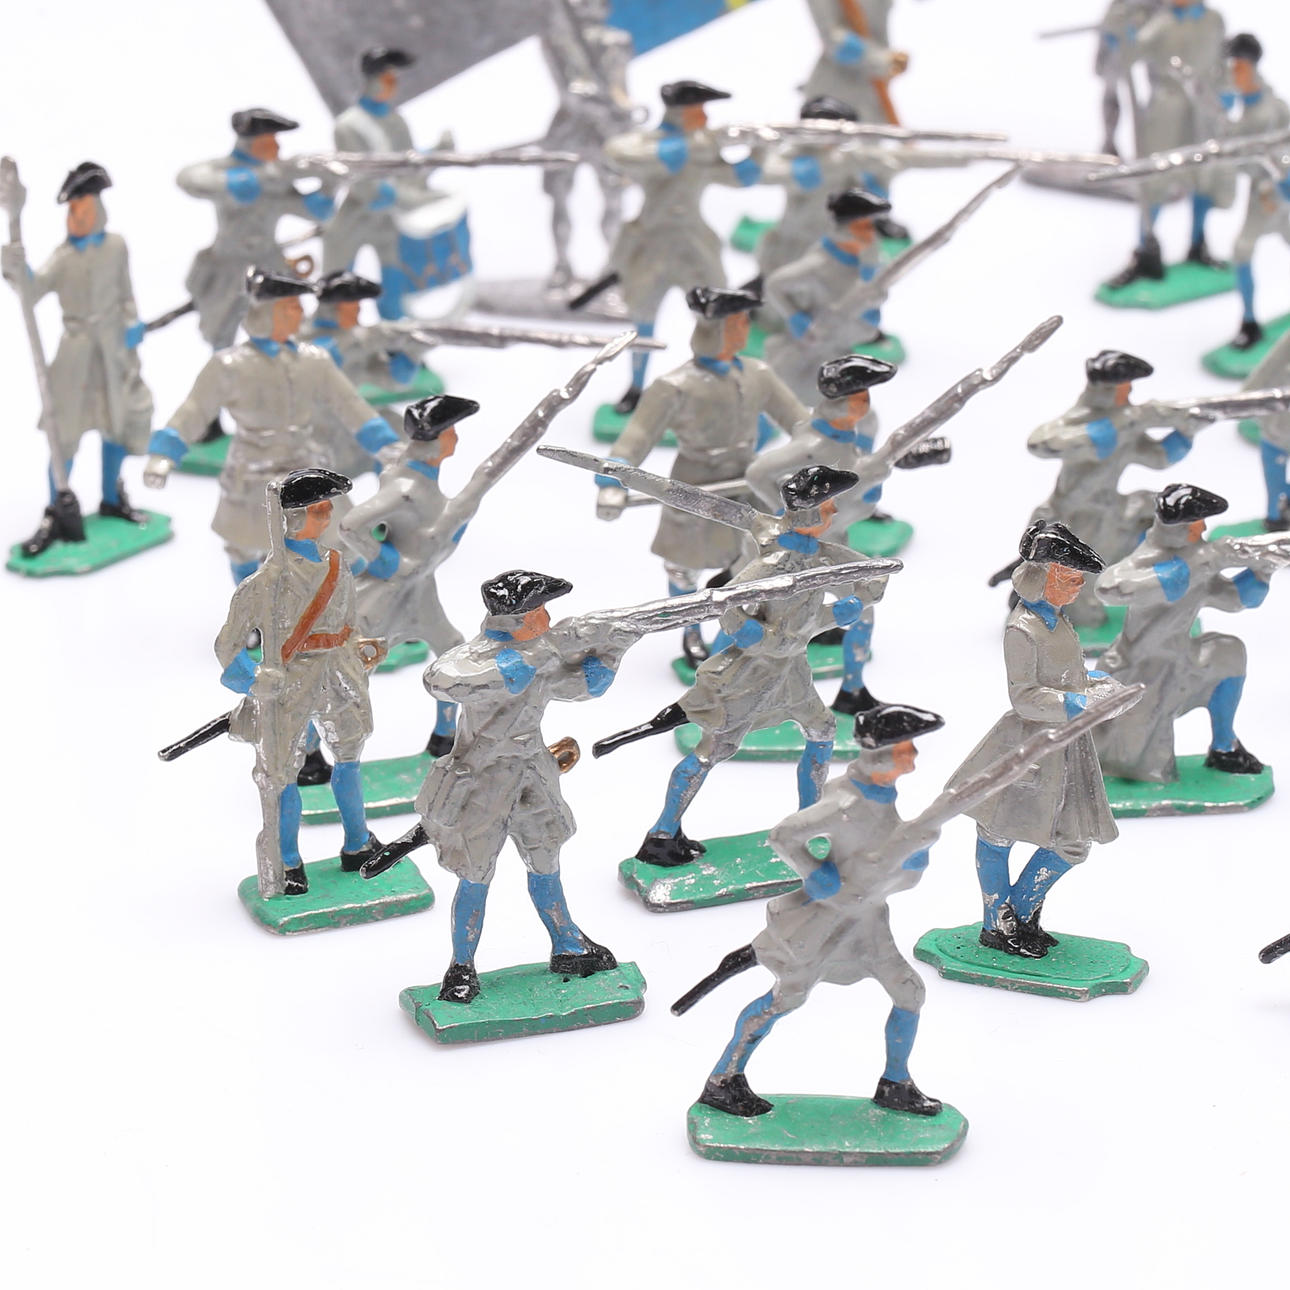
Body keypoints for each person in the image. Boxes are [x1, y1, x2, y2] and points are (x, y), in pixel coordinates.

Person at [596, 465, 891, 869]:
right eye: (828, 506)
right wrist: (757, 636)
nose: (835, 512)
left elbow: (868, 583)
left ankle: (807, 821)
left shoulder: (821, 555)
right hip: (756, 676)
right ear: (810, 512)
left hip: (793, 671)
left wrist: (842, 611)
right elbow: (726, 602)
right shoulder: (773, 564)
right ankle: (662, 834)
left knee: (822, 731)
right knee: (714, 749)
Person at [690, 703, 946, 1119]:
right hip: (825, 924)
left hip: (868, 922)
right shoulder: (845, 802)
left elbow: (883, 871)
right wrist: (815, 872)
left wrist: (915, 858)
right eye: (906, 748)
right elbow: (783, 835)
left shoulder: (882, 795)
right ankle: (723, 1080)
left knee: (909, 992)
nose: (913, 756)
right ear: (883, 753)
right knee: (786, 999)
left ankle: (895, 1085)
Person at [595, 285, 807, 665]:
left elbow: (797, 419)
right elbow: (638, 435)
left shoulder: (757, 374)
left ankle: (741, 627)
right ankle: (690, 631)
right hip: (695, 485)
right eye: (739, 323)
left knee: (757, 558)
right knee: (684, 567)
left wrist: (820, 444)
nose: (745, 330)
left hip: (747, 481)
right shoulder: (675, 386)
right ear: (717, 329)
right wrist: (614, 477)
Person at [144, 268, 397, 582]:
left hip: (305, 465)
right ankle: (249, 604)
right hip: (254, 471)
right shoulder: (229, 366)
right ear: (267, 313)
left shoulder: (313, 359)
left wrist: (384, 442)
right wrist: (164, 454)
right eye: (291, 306)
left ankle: (352, 597)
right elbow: (195, 410)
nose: (300, 313)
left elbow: (349, 404)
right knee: (246, 547)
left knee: (339, 538)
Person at [213, 468, 385, 897]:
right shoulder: (265, 583)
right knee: (283, 775)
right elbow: (228, 647)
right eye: (317, 510)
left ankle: (358, 842)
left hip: (341, 674)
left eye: (328, 508)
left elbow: (347, 622)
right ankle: (288, 860)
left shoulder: (338, 565)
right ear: (291, 519)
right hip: (291, 683)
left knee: (349, 757)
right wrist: (254, 680)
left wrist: (360, 647)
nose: (326, 517)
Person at [952, 520, 1121, 958]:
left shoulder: (1058, 622)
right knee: (996, 834)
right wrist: (1079, 703)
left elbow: (1068, 675)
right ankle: (997, 923)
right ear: (1040, 578)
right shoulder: (1022, 629)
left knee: (1072, 842)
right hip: (1028, 747)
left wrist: (1098, 685)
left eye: (1079, 578)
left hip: (1066, 746)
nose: (1078, 586)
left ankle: (1021, 912)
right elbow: (1025, 697)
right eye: (1069, 577)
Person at [1, 161, 154, 556]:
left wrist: (132, 323)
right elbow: (33, 291)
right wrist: (15, 267)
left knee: (117, 425)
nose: (77, 217)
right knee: (63, 435)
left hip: (113, 354)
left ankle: (112, 498)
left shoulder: (117, 246)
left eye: (83, 208)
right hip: (75, 357)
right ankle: (58, 510)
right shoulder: (64, 257)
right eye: (72, 210)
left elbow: (126, 293)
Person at [602, 79, 764, 411]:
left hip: (693, 244)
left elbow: (738, 178)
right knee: (643, 320)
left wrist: (760, 149)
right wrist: (689, 147)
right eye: (699, 109)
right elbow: (617, 152)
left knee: (714, 316)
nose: (705, 117)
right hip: (652, 245)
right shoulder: (656, 144)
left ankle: (713, 385)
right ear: (681, 111)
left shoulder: (705, 148)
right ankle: (636, 387)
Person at [1095, 483, 1271, 782]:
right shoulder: (1150, 558)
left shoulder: (1197, 559)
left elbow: (1234, 599)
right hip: (1141, 668)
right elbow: (1109, 587)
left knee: (1228, 652)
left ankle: (1224, 746)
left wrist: (1262, 571)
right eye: (1199, 522)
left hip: (1181, 657)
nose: (1203, 528)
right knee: (1146, 768)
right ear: (1184, 526)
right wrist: (1196, 565)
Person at [177, 108, 333, 367]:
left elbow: (316, 211)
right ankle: (221, 381)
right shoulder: (230, 169)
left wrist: (331, 183)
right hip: (230, 265)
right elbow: (189, 179)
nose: (277, 147)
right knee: (221, 331)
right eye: (271, 140)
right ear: (254, 142)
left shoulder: (278, 178)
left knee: (288, 322)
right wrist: (241, 181)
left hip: (269, 262)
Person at [538, 0, 636, 287]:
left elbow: (619, 91)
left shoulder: (617, 41)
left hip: (607, 128)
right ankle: (562, 266)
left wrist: (621, 117)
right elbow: (569, 93)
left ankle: (613, 268)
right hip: (572, 128)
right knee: (560, 198)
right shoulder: (557, 42)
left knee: (613, 200)